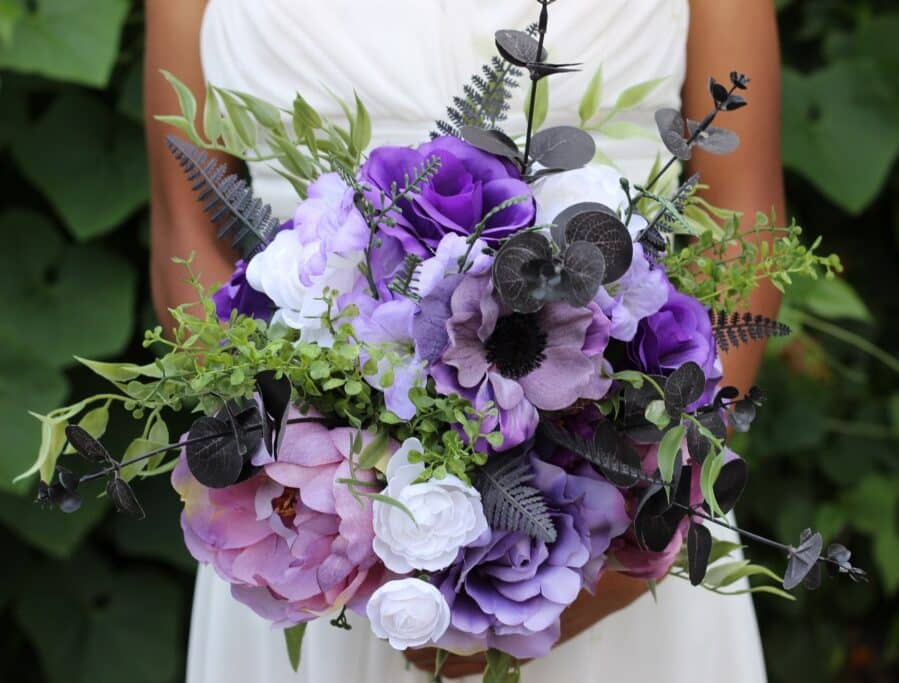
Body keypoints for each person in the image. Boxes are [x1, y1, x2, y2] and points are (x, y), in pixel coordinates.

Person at [145, 1, 783, 680]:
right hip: (304, 536)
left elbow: (745, 227)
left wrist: (638, 537)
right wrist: (321, 502)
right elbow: (187, 236)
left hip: (613, 527)